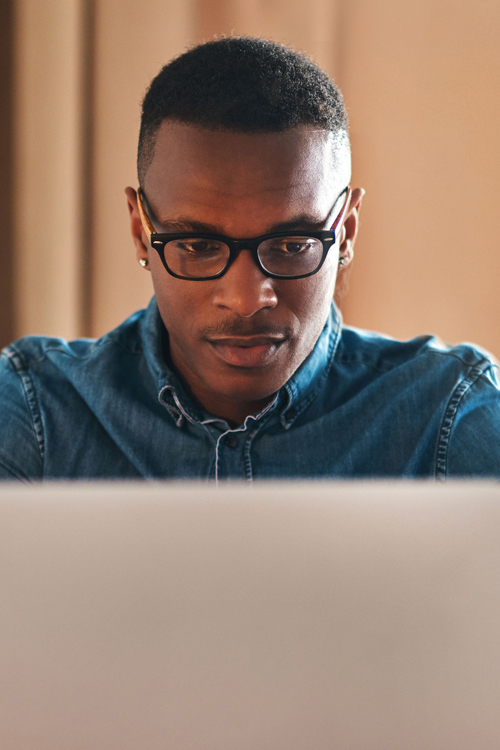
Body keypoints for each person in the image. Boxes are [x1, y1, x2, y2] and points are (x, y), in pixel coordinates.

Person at [1, 37, 499, 482]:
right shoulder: (36, 411)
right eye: (197, 246)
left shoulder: (449, 414)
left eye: (291, 245)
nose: (245, 300)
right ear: (140, 231)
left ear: (345, 230)